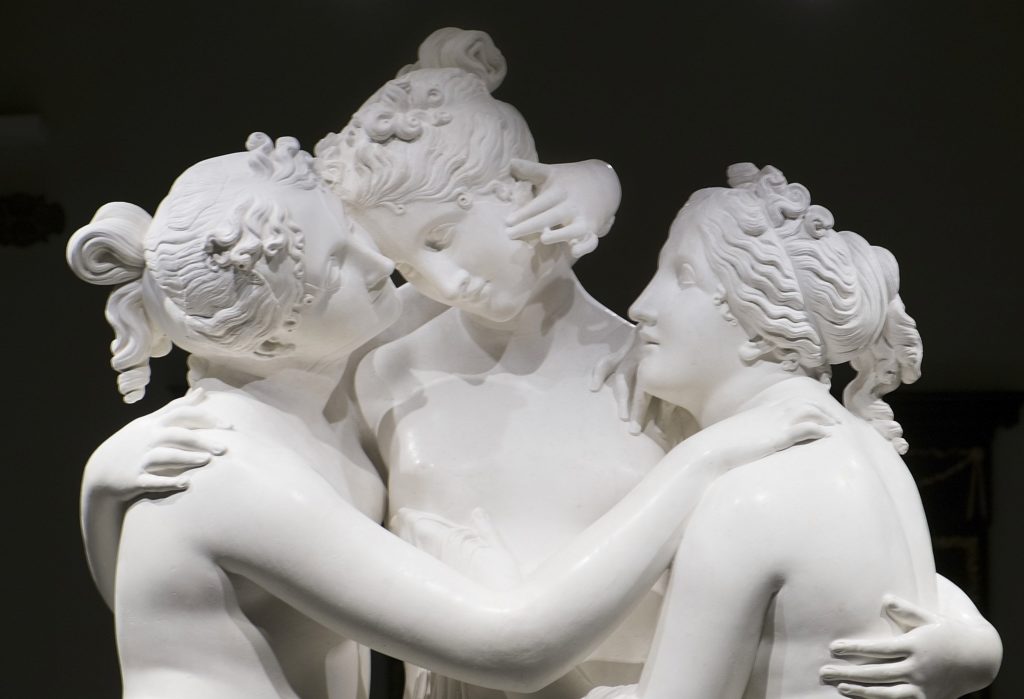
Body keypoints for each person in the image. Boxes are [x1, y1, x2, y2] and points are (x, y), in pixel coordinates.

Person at [314, 29, 1001, 699]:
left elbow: (813, 538)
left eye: (442, 238)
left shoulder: (653, 371)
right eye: (405, 263)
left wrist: (967, 636)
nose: (444, 280)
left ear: (523, 188)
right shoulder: (385, 371)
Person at [67, 134, 827, 699]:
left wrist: (594, 182)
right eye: (339, 263)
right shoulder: (225, 468)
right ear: (273, 337)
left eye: (352, 233)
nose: (382, 264)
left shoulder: (308, 389)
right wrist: (704, 459)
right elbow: (514, 647)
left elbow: (490, 278)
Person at [580, 163, 1002, 699]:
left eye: (683, 276)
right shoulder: (870, 452)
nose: (640, 306)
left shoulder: (752, 491)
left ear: (760, 323)